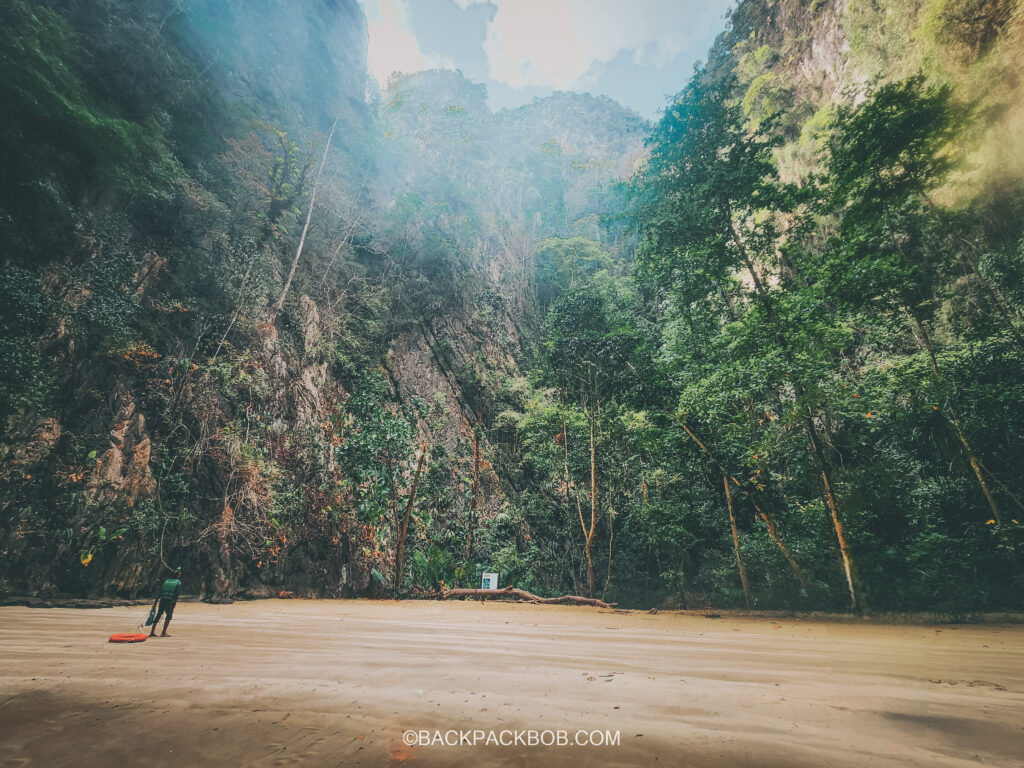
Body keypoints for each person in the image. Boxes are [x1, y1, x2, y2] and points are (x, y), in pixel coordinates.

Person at [149, 567, 182, 638]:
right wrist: (174, 604)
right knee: (169, 616)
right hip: (170, 601)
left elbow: (159, 593)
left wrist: (155, 602)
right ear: (178, 576)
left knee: (158, 614)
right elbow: (176, 595)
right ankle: (163, 632)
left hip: (162, 600)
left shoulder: (166, 581)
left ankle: (152, 632)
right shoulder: (178, 583)